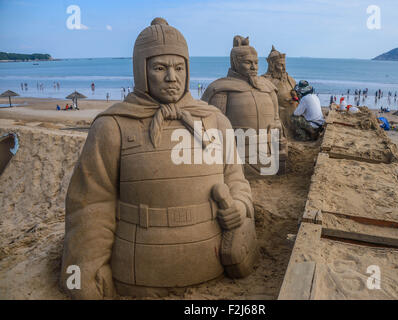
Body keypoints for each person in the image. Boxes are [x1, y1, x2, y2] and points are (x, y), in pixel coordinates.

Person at [60, 18, 257, 300]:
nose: (171, 78)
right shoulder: (113, 127)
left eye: (178, 68)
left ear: (188, 70)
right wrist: (85, 272)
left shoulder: (215, 121)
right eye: (160, 68)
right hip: (140, 272)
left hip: (211, 262)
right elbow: (91, 205)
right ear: (142, 71)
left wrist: (239, 205)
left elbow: (236, 180)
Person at [201, 35, 288, 174]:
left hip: (268, 153)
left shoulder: (268, 88)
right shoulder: (222, 89)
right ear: (235, 62)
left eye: (256, 63)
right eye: (248, 63)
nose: (254, 67)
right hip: (238, 156)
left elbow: (276, 120)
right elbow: (214, 127)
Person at [262, 45, 298, 135]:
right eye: (280, 65)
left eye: (284, 65)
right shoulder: (265, 81)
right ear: (272, 65)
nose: (284, 68)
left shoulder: (291, 80)